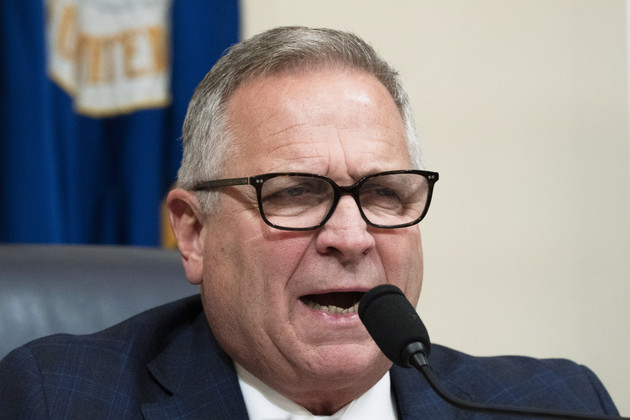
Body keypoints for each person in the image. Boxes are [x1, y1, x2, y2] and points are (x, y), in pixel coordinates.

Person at [0, 26, 620, 419]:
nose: (351, 238)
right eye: (294, 194)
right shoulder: (55, 400)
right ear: (192, 233)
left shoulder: (557, 406)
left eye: (383, 192)